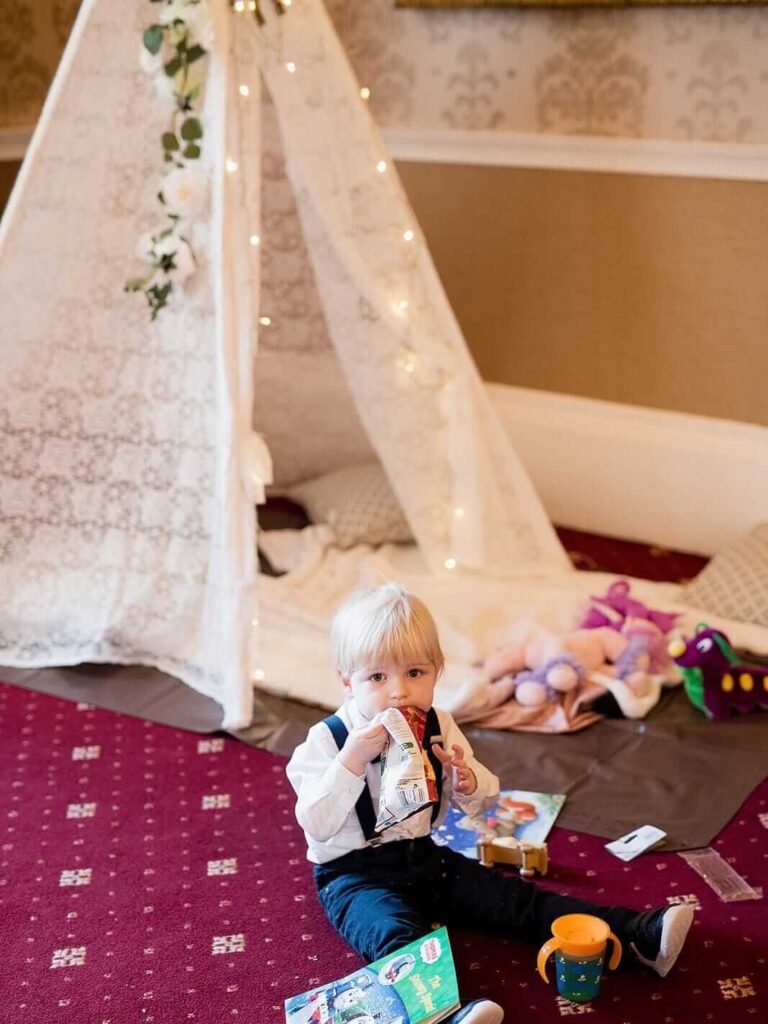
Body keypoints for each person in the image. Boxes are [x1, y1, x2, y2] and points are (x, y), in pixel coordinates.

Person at [287, 583, 693, 1024]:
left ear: (439, 672)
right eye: (377, 678)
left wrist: (466, 779)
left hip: (422, 857)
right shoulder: (327, 741)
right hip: (352, 876)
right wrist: (350, 762)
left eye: (415, 674)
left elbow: (482, 803)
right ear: (346, 681)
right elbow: (317, 823)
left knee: (513, 900)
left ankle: (635, 935)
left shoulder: (439, 724)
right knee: (397, 936)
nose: (399, 693)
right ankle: (442, 1016)